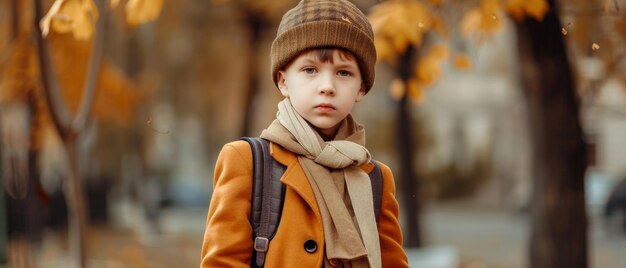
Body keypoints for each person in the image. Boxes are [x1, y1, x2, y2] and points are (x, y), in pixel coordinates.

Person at [200, 0, 408, 267]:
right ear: (284, 80)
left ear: (361, 88)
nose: (327, 86)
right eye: (310, 70)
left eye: (344, 72)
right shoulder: (247, 161)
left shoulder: (375, 178)